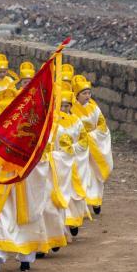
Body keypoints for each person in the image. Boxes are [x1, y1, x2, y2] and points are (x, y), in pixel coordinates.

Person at [71, 75, 112, 215]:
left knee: (94, 174)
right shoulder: (71, 110)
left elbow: (102, 124)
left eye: (89, 93)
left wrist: (92, 136)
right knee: (81, 174)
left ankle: (95, 201)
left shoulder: (94, 108)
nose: (87, 96)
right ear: (77, 95)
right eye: (84, 93)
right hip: (79, 148)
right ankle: (80, 205)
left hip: (93, 147)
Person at [52, 91, 91, 237]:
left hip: (74, 161)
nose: (64, 108)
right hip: (58, 162)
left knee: (74, 192)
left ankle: (73, 220)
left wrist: (72, 149)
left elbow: (83, 140)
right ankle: (61, 226)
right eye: (61, 105)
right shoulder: (53, 122)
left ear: (70, 106)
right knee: (60, 192)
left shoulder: (76, 121)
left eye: (66, 105)